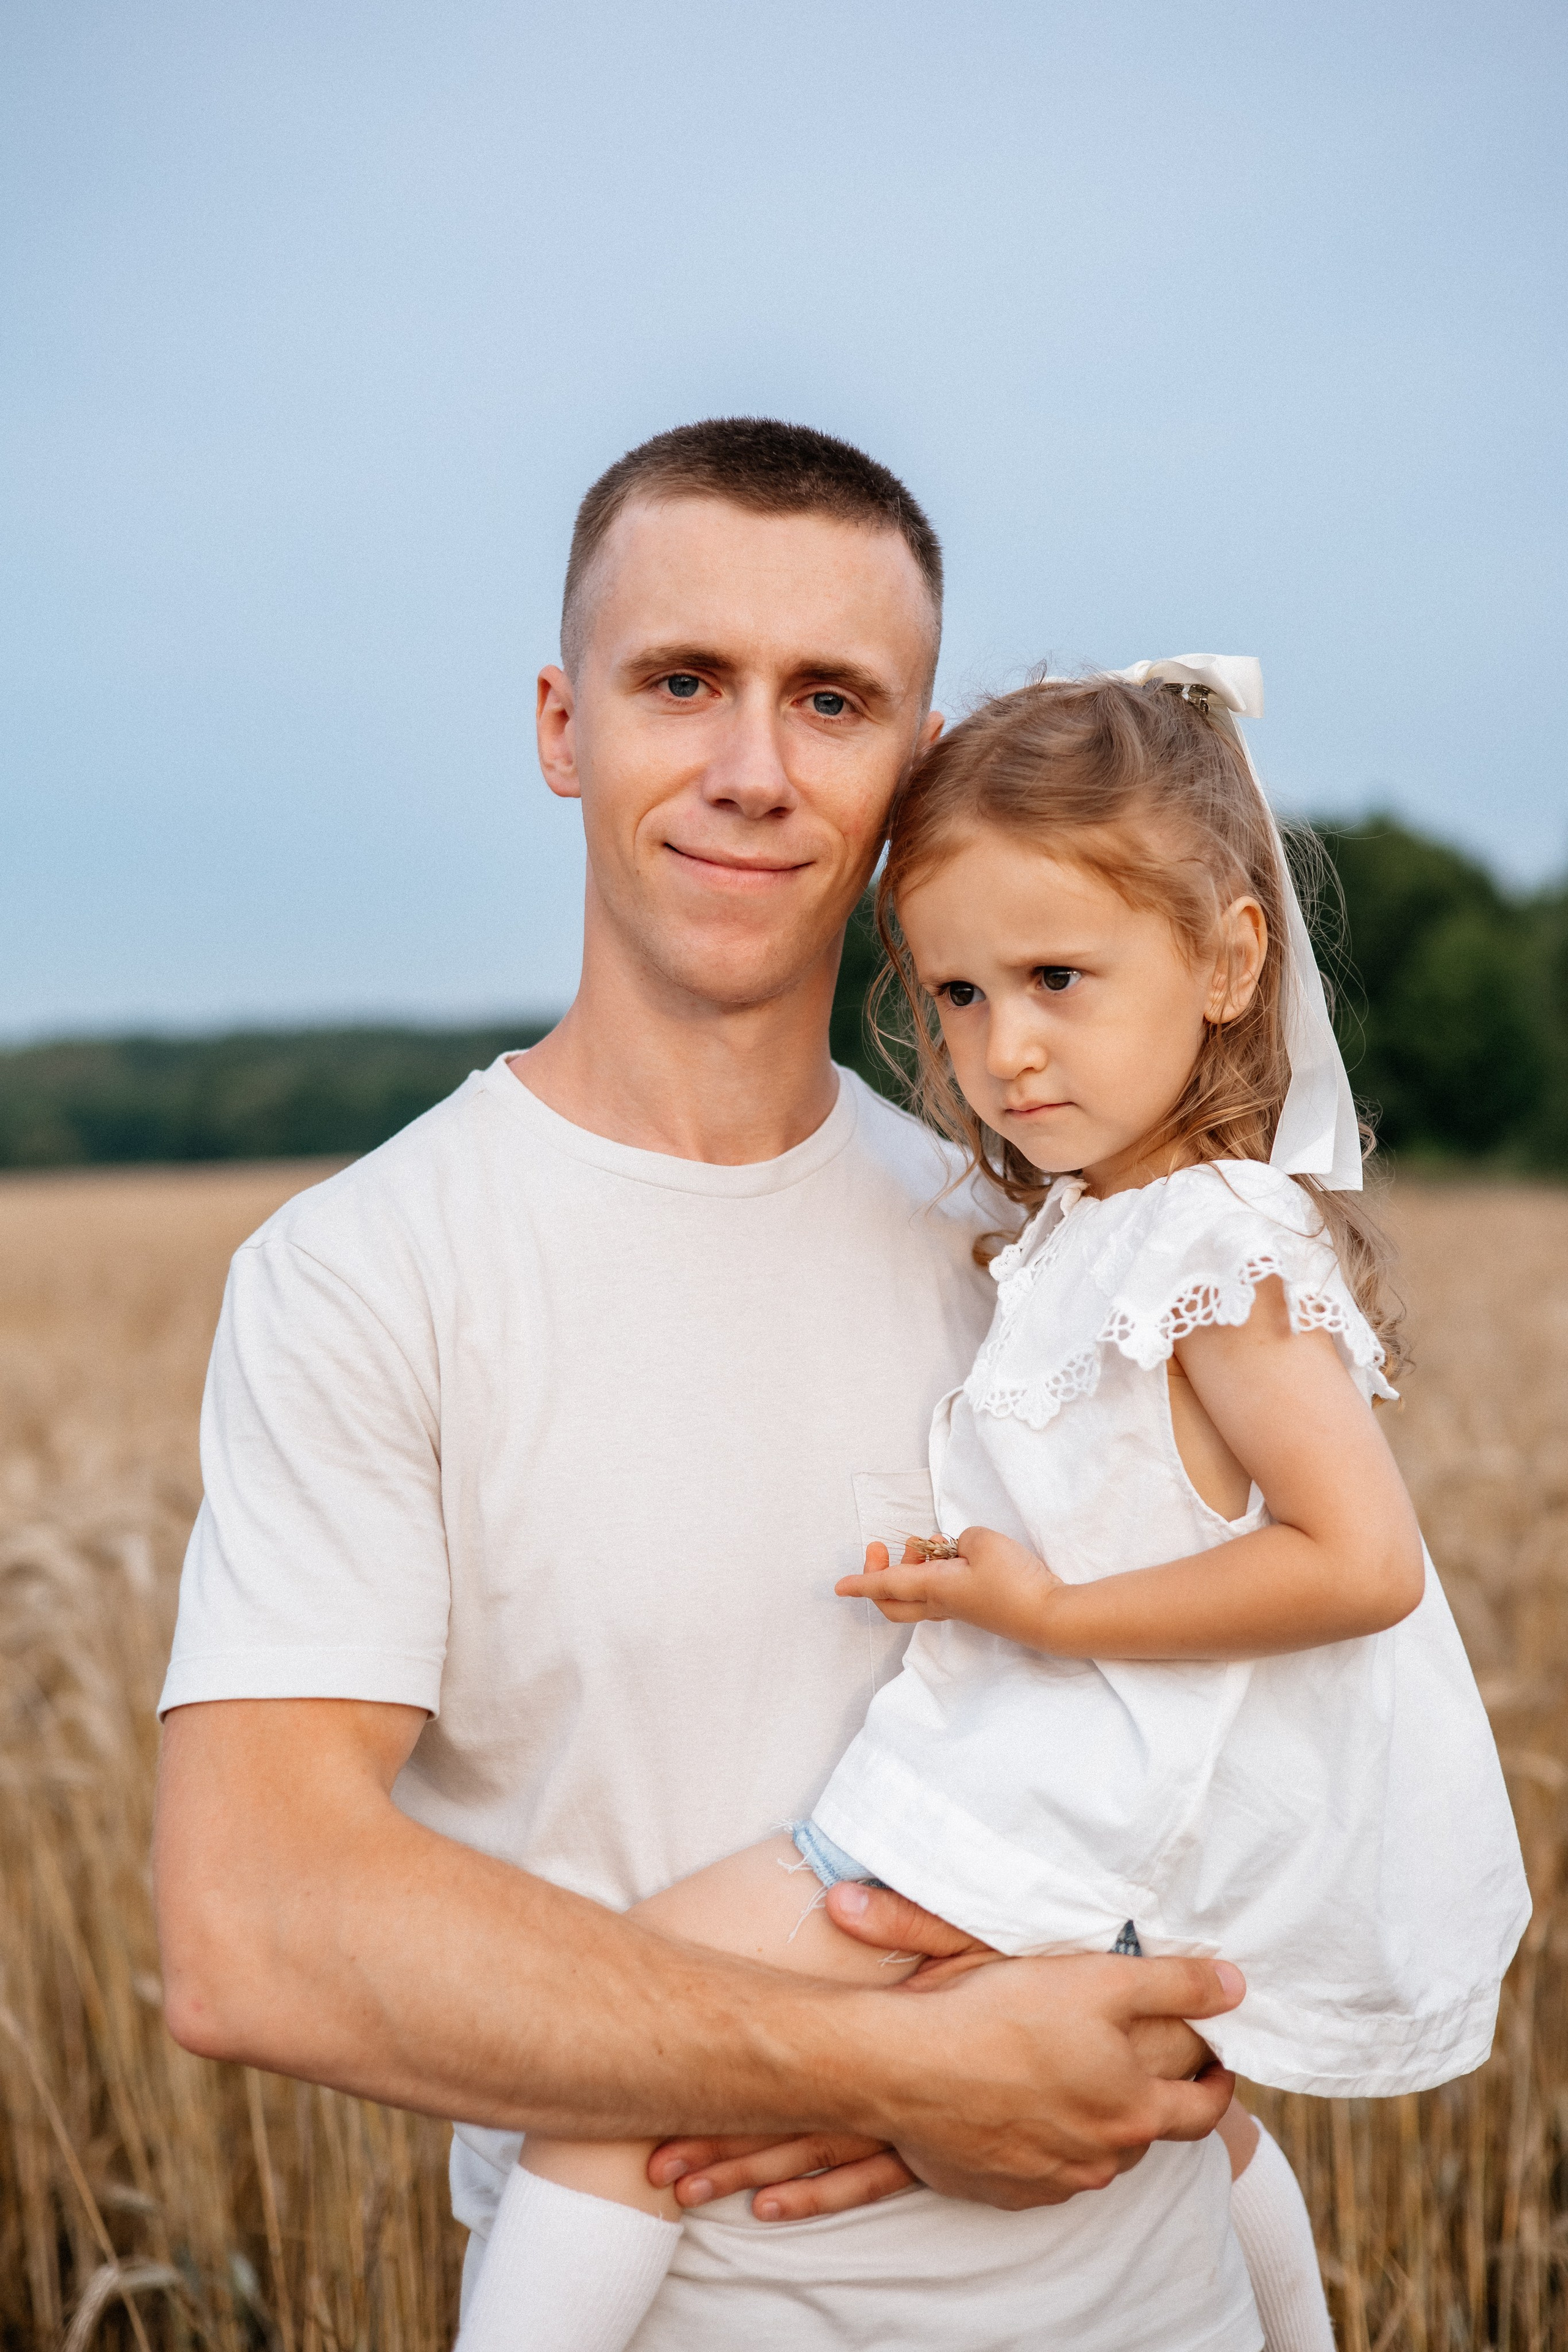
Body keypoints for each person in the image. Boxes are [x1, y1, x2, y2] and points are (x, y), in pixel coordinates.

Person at [154, 422, 1256, 2348]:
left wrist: (1199, 2018)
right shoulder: (365, 1275)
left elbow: (1265, 1728)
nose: (753, 770)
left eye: (832, 701)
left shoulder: (1053, 1245)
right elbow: (256, 1930)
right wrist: (902, 2075)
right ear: (564, 724)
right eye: (684, 683)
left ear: (915, 770)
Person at [454, 658, 1529, 2352]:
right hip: (1053, 1800)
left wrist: (1044, 1613)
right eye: (955, 994)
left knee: (603, 2063)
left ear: (1233, 959)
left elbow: (1364, 1561)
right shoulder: (1095, 1223)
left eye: (1054, 977)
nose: (1003, 1048)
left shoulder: (1211, 1242)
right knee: (1211, 2129)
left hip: (1024, 1805)